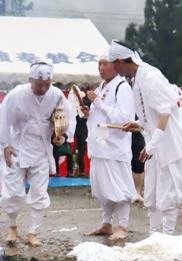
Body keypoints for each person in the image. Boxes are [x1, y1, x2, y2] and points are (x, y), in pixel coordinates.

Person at [109, 42, 182, 235]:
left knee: (168, 193)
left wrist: (153, 145)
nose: (115, 70)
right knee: (154, 194)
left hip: (168, 143)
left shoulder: (150, 77)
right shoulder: (138, 79)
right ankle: (155, 235)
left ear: (124, 61)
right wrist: (138, 124)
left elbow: (165, 113)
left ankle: (167, 236)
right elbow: (152, 115)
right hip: (155, 143)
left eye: (115, 65)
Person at [0, 62, 74, 247]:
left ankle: (33, 231)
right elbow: (3, 119)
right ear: (30, 80)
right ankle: (13, 226)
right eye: (38, 84)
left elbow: (66, 117)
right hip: (17, 145)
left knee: (39, 192)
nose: (42, 88)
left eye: (46, 84)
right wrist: (5, 145)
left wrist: (61, 135)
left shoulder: (56, 95)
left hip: (41, 148)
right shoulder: (16, 94)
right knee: (12, 192)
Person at [83, 53, 137, 242]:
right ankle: (106, 223)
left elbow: (124, 118)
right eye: (98, 64)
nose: (100, 68)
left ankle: (123, 225)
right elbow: (101, 116)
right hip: (100, 146)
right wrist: (89, 112)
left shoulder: (122, 88)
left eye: (104, 64)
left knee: (120, 187)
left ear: (115, 65)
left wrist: (97, 102)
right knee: (102, 188)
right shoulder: (102, 87)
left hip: (115, 148)